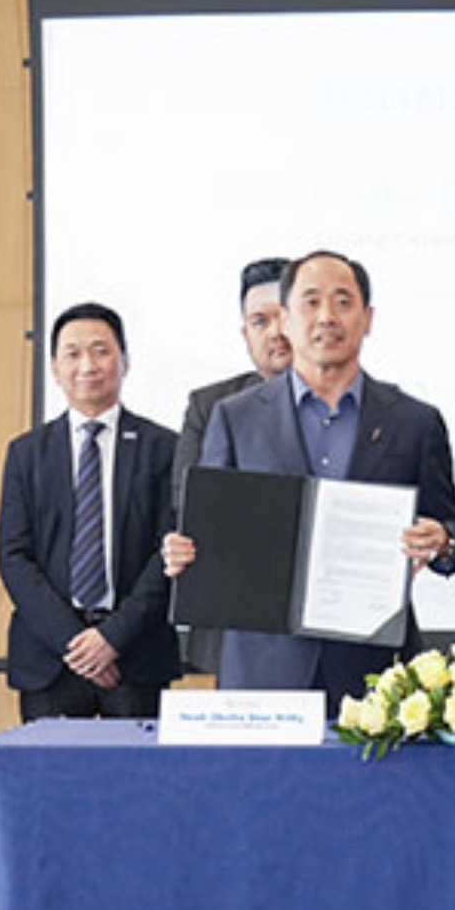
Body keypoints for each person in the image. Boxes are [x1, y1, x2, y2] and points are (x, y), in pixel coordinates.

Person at [161, 250, 455, 703]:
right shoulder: (234, 418)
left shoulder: (414, 421)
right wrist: (186, 553)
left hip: (374, 673)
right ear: (286, 320)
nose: (327, 316)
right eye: (311, 302)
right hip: (263, 672)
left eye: (343, 302)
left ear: (368, 319)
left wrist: (442, 540)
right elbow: (210, 536)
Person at [0, 302, 182, 719]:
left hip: (136, 655)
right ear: (54, 367)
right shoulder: (27, 453)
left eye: (101, 350)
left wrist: (111, 639)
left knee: (137, 764)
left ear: (125, 361)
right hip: (51, 660)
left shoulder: (164, 448)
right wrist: (76, 643)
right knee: (51, 765)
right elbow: (14, 557)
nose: (88, 365)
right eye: (73, 353)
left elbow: (167, 555)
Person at [173, 257, 291, 677]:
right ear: (246, 334)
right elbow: (191, 506)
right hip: (241, 628)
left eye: (284, 316)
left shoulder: (362, 409)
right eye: (260, 321)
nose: (275, 332)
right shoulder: (211, 407)